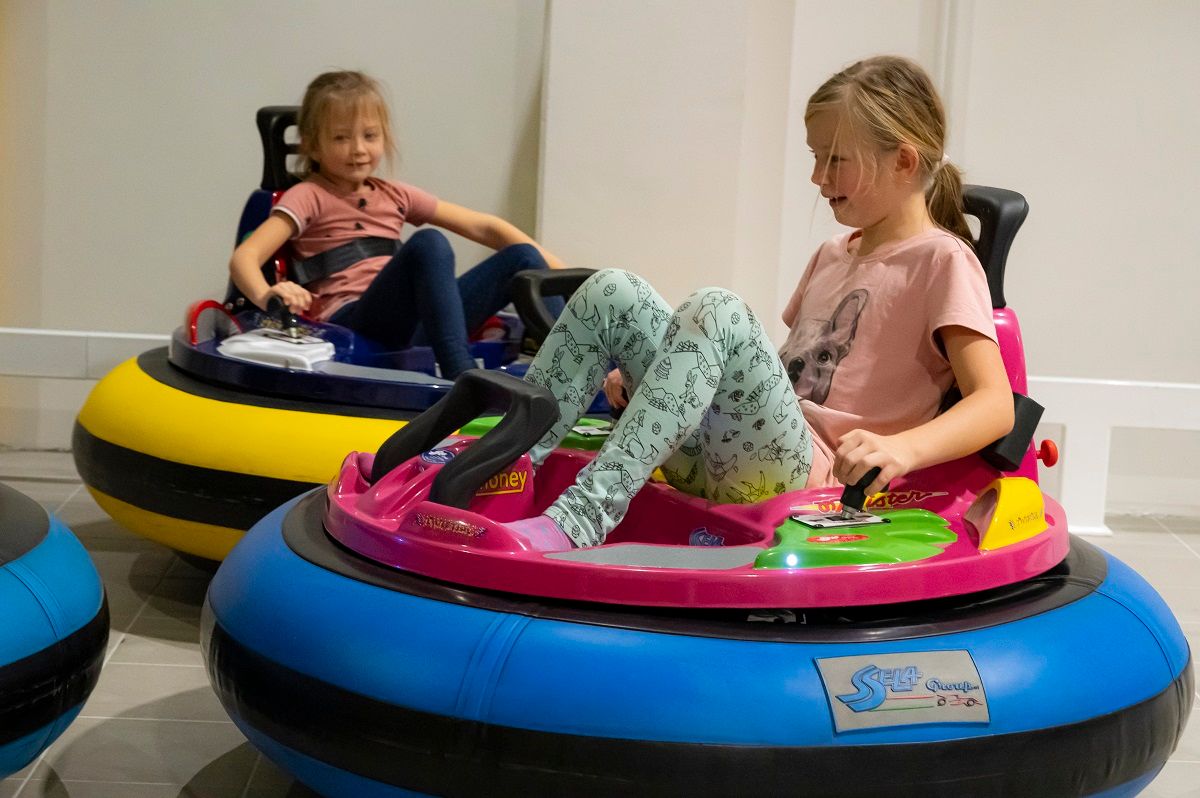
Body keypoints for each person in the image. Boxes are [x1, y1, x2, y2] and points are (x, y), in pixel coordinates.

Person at [509, 55, 1015, 550]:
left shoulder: (943, 260)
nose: (817, 177)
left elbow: (995, 405)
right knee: (611, 290)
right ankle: (506, 469)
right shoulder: (832, 254)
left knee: (717, 307)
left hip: (816, 479)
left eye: (835, 159)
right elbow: (780, 379)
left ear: (903, 161)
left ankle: (583, 517)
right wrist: (665, 375)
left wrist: (903, 448)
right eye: (815, 157)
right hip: (738, 454)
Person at [230, 70, 566, 379]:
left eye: (369, 136)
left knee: (523, 256)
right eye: (341, 138)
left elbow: (486, 228)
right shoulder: (307, 196)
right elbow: (245, 257)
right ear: (311, 145)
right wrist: (268, 294)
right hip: (354, 323)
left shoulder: (394, 195)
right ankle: (460, 376)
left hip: (417, 323)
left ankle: (573, 370)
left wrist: (568, 277)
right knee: (430, 242)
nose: (358, 149)